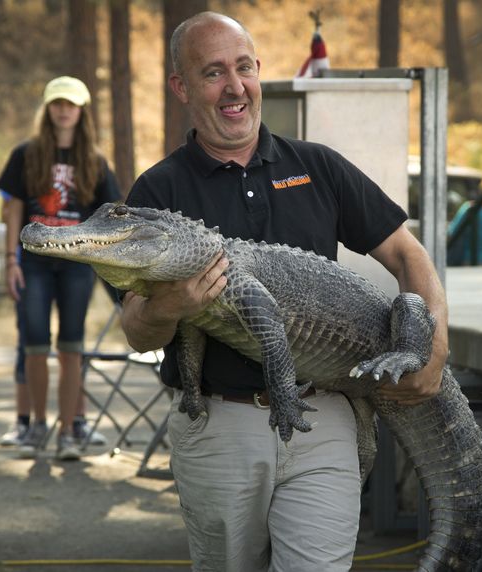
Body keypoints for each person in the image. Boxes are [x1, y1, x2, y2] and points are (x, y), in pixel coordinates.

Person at [120, 12, 447, 571]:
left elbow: (406, 254)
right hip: (221, 426)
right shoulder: (159, 189)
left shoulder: (317, 165)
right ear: (181, 87)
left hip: (324, 417)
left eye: (243, 68)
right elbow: (135, 329)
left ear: (258, 73)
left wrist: (434, 347)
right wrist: (173, 305)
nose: (234, 86)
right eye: (213, 72)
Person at [0, 76, 121, 460]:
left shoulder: (96, 161)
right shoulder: (26, 153)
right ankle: (36, 427)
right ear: (48, 108)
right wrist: (10, 260)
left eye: (70, 104)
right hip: (33, 264)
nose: (63, 110)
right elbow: (13, 207)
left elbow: (111, 213)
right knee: (34, 346)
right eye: (56, 103)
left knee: (71, 348)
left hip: (76, 266)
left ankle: (69, 432)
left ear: (81, 110)